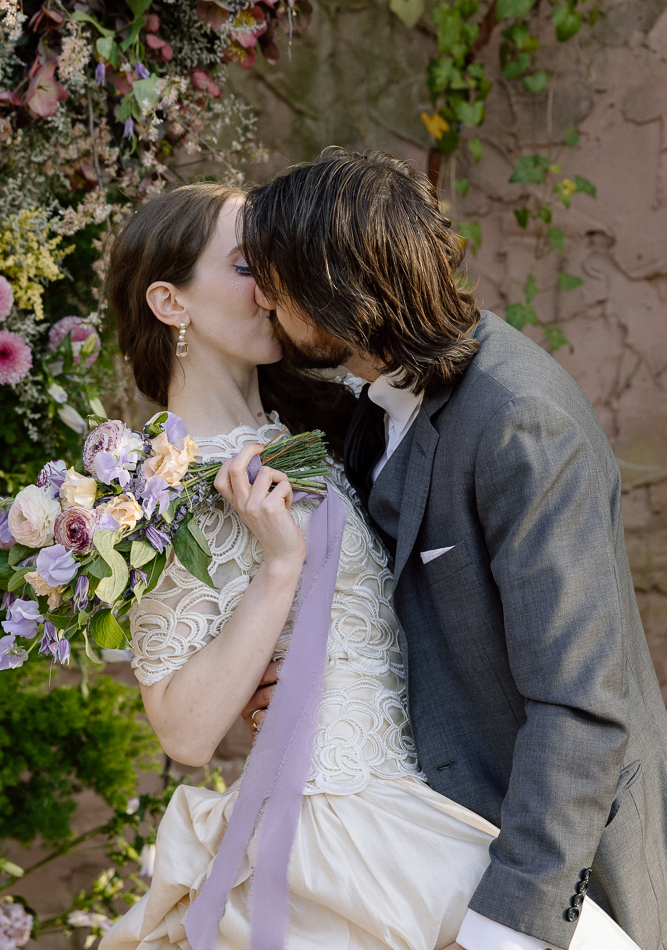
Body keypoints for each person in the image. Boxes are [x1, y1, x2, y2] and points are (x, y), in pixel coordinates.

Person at [98, 183, 635, 950]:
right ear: (170, 303)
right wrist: (282, 571)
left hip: (431, 804)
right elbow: (184, 731)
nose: (273, 283)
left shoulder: (334, 423)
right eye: (249, 264)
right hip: (338, 835)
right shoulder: (158, 490)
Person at [240, 149, 667, 950]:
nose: (261, 299)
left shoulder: (518, 424)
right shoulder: (374, 399)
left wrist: (507, 928)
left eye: (273, 280)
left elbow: (579, 707)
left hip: (545, 872)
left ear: (335, 294)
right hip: (424, 847)